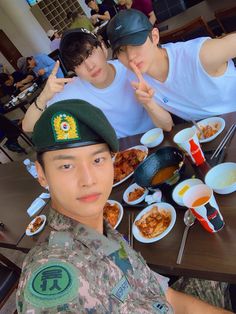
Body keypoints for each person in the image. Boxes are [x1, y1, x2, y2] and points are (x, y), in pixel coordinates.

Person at [16, 99, 232, 313]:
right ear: (42, 175)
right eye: (66, 165)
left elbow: (163, 295)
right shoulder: (53, 272)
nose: (88, 179)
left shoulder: (102, 230)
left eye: (98, 160)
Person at [22, 28, 173, 137]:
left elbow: (167, 125)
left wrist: (148, 102)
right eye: (79, 62)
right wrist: (44, 97)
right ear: (74, 70)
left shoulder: (132, 68)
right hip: (123, 156)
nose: (89, 66)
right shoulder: (73, 90)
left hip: (158, 138)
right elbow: (28, 126)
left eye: (89, 53)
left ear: (103, 47)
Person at [107, 9, 236, 122]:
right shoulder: (135, 77)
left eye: (136, 44)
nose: (131, 57)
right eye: (121, 50)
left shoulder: (198, 55)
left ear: (155, 36)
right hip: (204, 136)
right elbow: (168, 125)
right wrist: (148, 103)